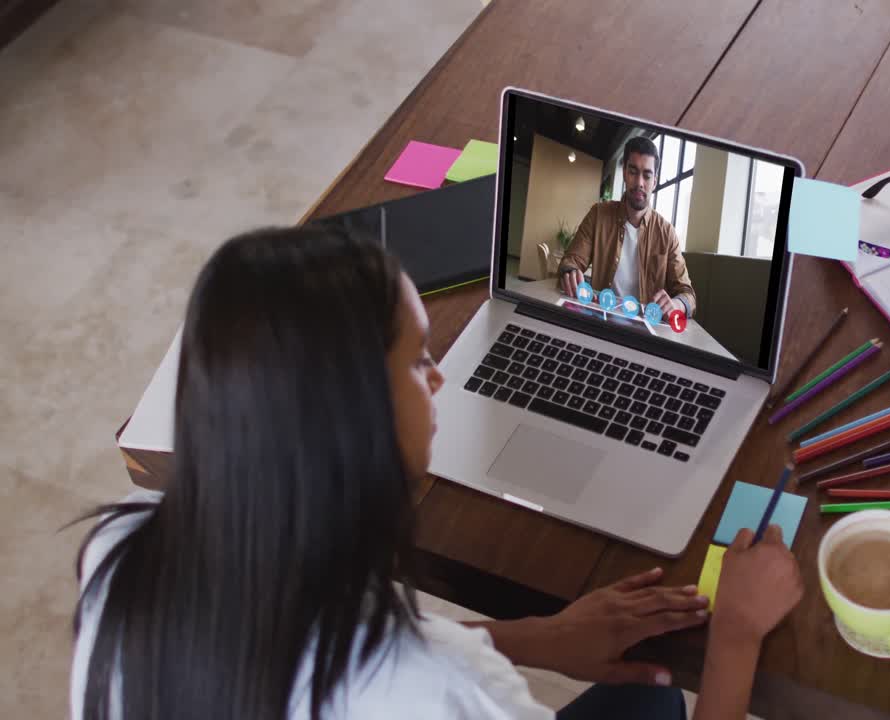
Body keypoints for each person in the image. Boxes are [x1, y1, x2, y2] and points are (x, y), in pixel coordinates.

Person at [70, 226, 802, 720]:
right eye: (420, 361)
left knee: (645, 699)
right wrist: (735, 633)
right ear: (359, 425)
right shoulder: (443, 693)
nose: (442, 380)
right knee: (659, 698)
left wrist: (536, 638)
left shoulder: (121, 554)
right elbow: (416, 675)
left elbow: (322, 646)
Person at [558, 136, 697, 321]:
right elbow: (571, 260)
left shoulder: (667, 233)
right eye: (633, 171)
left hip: (645, 326)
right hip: (601, 317)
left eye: (647, 175)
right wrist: (570, 272)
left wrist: (677, 304)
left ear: (654, 181)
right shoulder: (599, 215)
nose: (639, 182)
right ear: (624, 173)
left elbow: (687, 294)